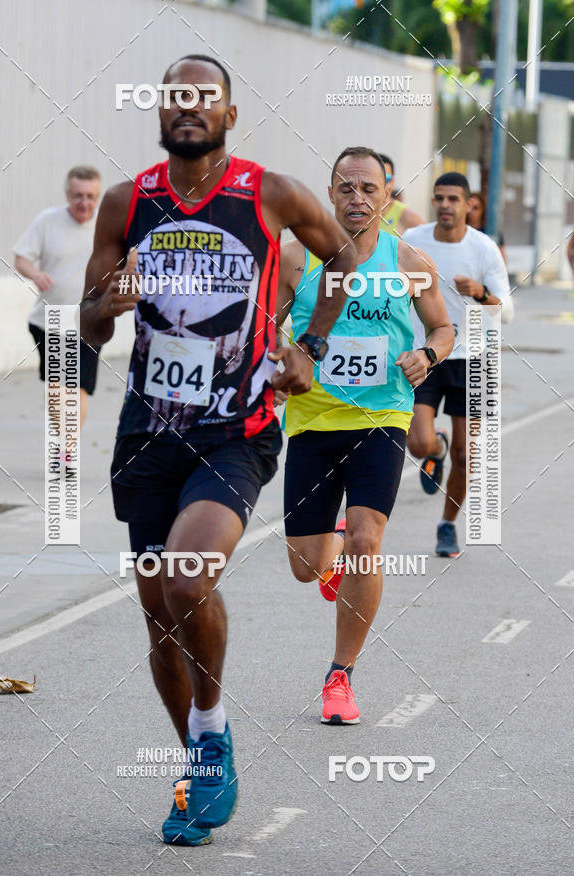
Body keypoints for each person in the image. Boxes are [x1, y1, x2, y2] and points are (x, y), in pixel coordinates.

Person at [80, 54, 356, 846]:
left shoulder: (268, 193)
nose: (189, 106)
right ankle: (203, 760)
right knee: (159, 617)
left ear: (231, 116)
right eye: (177, 96)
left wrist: (309, 342)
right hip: (145, 434)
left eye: (206, 97)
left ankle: (211, 723)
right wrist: (108, 303)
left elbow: (340, 257)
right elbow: (89, 326)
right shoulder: (129, 201)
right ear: (161, 111)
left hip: (235, 429)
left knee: (186, 577)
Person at [276, 147, 453, 725]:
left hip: (382, 419)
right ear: (329, 195)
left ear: (387, 195)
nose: (357, 199)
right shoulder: (298, 256)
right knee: (304, 565)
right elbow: (267, 324)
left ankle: (340, 675)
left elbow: (443, 325)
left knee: (365, 538)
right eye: (345, 188)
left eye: (368, 189)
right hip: (311, 421)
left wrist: (428, 354)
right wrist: (274, 364)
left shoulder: (408, 260)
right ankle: (328, 567)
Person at [403, 172, 514, 557]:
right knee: (418, 442)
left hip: (475, 357)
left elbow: (507, 310)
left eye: (453, 199)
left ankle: (447, 525)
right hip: (428, 352)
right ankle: (435, 449)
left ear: (469, 204)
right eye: (439, 198)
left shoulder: (483, 248)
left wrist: (481, 293)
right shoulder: (413, 243)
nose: (445, 205)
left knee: (467, 456)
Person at [14, 166, 102, 432]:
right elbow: (21, 258)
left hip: (89, 320)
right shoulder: (47, 220)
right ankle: (62, 442)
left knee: (79, 389)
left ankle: (67, 448)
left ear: (97, 197)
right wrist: (36, 274)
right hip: (50, 319)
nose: (83, 202)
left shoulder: (106, 224)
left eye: (90, 196)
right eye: (77, 195)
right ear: (67, 194)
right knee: (58, 386)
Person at [377, 153, 423, 236]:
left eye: (386, 179)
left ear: (393, 182)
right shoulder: (357, 213)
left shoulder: (407, 218)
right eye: (376, 179)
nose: (381, 185)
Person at [466, 191, 508, 266]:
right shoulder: (461, 231)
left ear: (482, 210)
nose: (471, 211)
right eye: (469, 207)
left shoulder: (491, 231)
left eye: (476, 208)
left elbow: (502, 259)